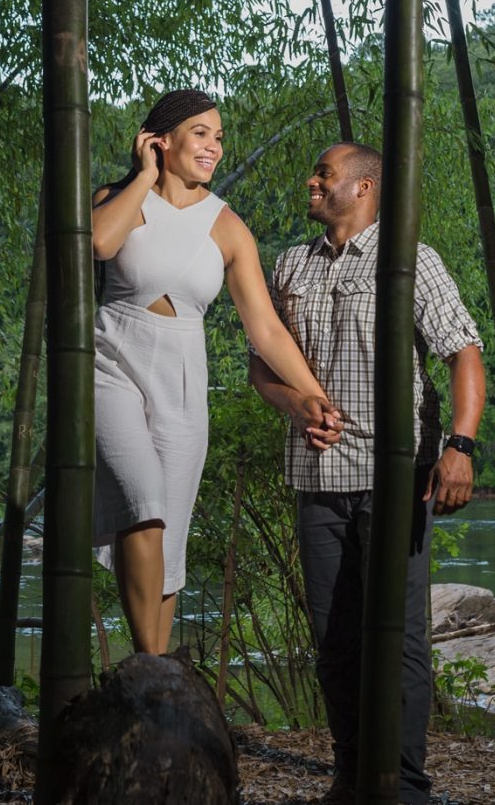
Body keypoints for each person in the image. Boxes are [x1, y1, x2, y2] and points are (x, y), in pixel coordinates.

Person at [249, 142, 485, 805]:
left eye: (323, 173)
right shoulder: (291, 263)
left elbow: (463, 353)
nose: (311, 181)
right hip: (316, 479)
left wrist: (460, 447)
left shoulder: (410, 260)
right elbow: (262, 367)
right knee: (334, 642)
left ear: (364, 188)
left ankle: (404, 786)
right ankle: (352, 776)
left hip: (398, 477)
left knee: (401, 639)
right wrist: (294, 403)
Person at [91, 89, 339, 655]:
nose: (214, 147)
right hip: (112, 360)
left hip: (183, 374)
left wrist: (314, 396)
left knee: (169, 533)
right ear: (162, 137)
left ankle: (153, 680)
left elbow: (267, 331)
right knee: (144, 504)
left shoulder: (227, 226)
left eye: (219, 136)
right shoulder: (118, 199)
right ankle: (151, 668)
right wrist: (143, 173)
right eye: (201, 132)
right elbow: (102, 242)